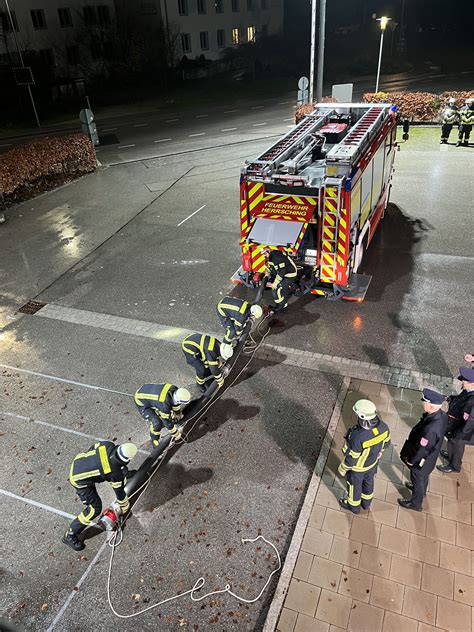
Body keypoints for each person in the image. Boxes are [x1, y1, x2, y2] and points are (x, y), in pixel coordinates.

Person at [63, 441, 137, 551]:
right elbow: (119, 492)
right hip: (79, 481)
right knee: (94, 509)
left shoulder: (108, 445)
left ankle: (123, 474)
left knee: (120, 473)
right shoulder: (113, 472)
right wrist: (125, 506)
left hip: (79, 462)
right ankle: (70, 535)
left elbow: (94, 447)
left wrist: (93, 464)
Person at [398, 388, 447, 512]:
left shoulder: (430, 429)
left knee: (417, 477)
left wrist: (411, 460)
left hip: (422, 460)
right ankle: (421, 491)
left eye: (425, 402)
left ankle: (416, 503)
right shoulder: (441, 415)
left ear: (431, 406)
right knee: (423, 476)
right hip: (430, 459)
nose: (422, 404)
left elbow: (422, 449)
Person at [337, 400, 390, 513]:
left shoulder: (358, 436)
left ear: (362, 416)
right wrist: (379, 453)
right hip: (372, 464)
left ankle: (354, 507)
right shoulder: (384, 427)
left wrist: (343, 468)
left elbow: (352, 458)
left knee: (354, 487)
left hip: (358, 469)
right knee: (368, 483)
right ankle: (366, 503)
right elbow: (387, 443)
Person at [437, 367, 474, 473]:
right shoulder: (468, 390)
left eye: (465, 380)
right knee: (452, 442)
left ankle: (454, 466)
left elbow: (469, 422)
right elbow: (459, 399)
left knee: (456, 444)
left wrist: (458, 434)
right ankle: (451, 455)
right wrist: (450, 398)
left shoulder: (472, 401)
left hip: (463, 431)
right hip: (457, 425)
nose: (462, 381)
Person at [263, 247, 298, 313]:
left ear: (268, 251)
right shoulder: (271, 256)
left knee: (276, 289)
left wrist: (275, 283)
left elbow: (282, 271)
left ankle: (281, 306)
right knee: (277, 286)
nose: (264, 255)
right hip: (282, 274)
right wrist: (268, 276)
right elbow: (272, 268)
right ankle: (286, 291)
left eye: (265, 253)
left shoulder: (277, 257)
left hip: (290, 274)